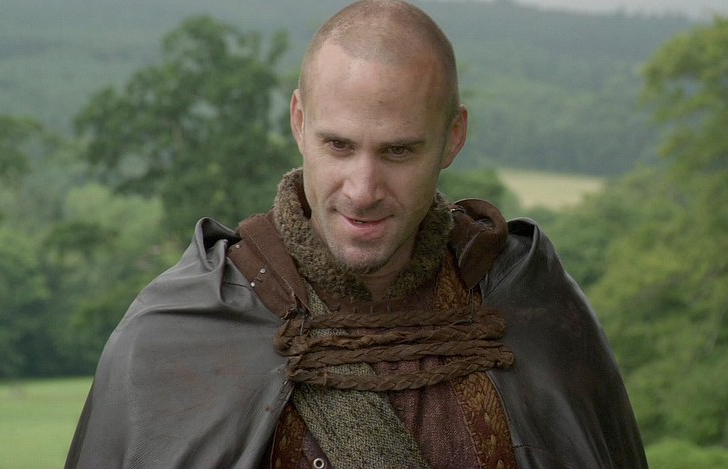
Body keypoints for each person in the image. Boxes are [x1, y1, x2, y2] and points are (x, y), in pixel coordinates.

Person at [65, 1, 647, 467]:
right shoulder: (178, 335)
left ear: (453, 138)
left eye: (399, 151)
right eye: (339, 146)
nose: (363, 190)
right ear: (299, 122)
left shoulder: (529, 308)